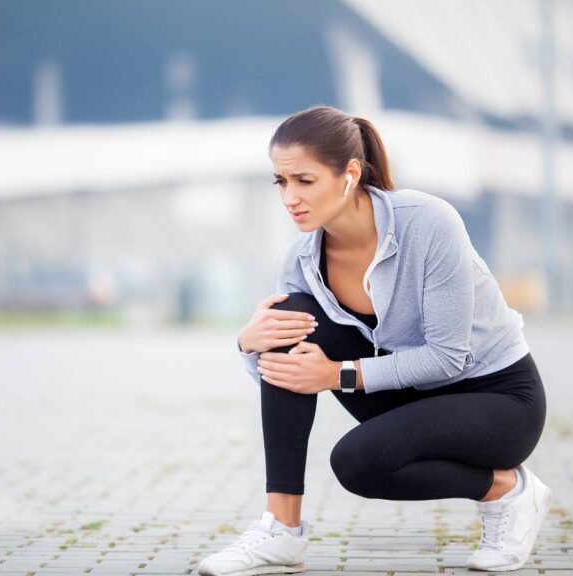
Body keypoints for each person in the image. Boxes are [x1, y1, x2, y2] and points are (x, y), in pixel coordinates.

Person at [197, 105, 551, 576]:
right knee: (289, 318)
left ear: (349, 174)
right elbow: (285, 371)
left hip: (497, 400)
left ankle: (506, 490)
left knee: (356, 459)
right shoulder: (303, 258)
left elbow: (448, 357)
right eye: (280, 182)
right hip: (406, 394)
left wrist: (337, 375)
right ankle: (281, 530)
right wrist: (248, 344)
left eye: (304, 180)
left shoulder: (428, 222)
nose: (289, 197)